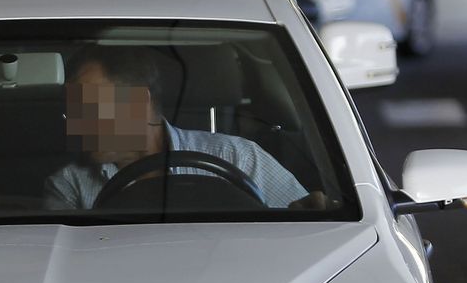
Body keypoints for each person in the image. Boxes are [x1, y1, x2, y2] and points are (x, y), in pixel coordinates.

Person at [43, 45, 313, 210]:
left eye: (91, 109)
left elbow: (307, 229)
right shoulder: (70, 185)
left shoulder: (237, 157)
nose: (77, 125)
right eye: (74, 112)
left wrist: (311, 211)